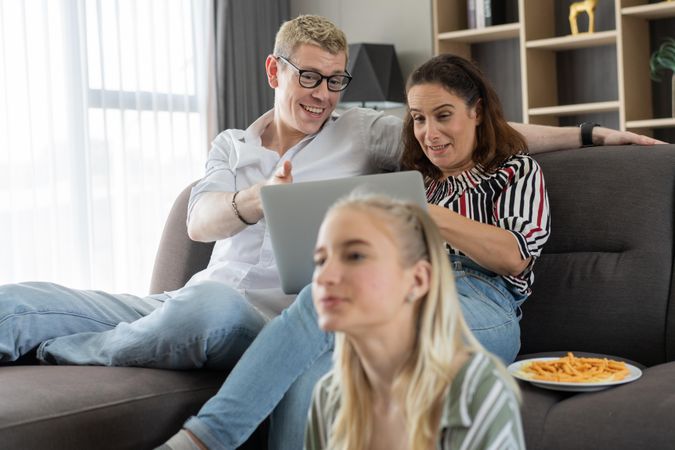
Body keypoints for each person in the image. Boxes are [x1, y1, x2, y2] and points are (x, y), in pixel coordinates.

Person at [0, 12, 660, 450]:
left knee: (310, 311)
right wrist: (273, 205)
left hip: (463, 302)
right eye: (419, 120)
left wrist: (590, 132)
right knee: (313, 335)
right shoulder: (347, 153)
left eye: (443, 117)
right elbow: (205, 219)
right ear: (275, 72)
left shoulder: (493, 164)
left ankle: (204, 437)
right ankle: (182, 426)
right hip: (340, 292)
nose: (429, 133)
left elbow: (511, 250)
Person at [304, 194, 525, 450]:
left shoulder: (475, 388)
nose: (324, 277)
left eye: (355, 256)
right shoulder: (328, 395)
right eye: (320, 260)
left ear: (418, 280)